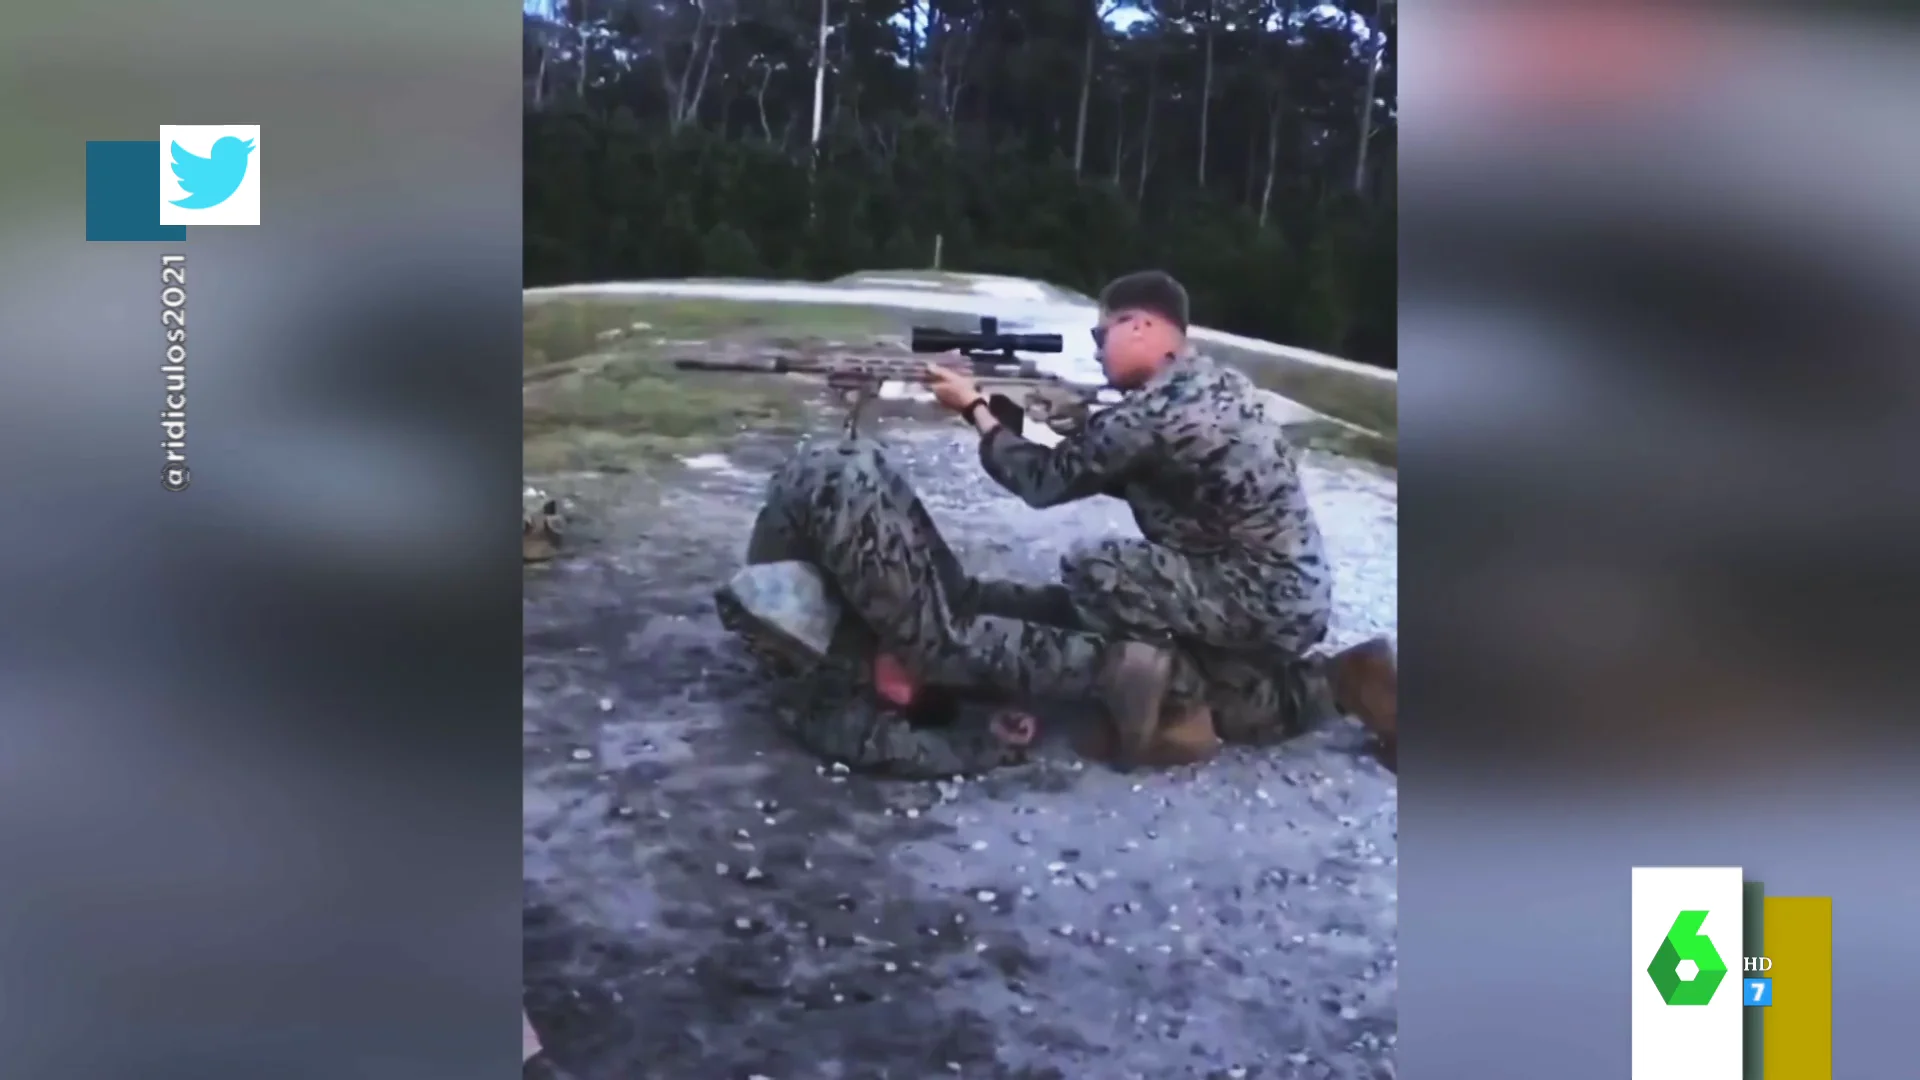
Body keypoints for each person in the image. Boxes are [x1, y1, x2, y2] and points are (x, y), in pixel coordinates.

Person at [923, 269, 1398, 767]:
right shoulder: (1217, 382)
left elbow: (1043, 482)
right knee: (1239, 715)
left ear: (1139, 326)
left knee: (1098, 571)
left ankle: (1175, 714)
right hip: (1291, 597)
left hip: (1255, 596)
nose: (1097, 350)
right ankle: (1348, 680)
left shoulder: (1151, 412)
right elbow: (1143, 466)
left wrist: (975, 408)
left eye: (1101, 335)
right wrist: (1078, 425)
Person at [717, 436, 1135, 778]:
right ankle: (1122, 658)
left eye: (906, 689)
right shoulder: (870, 639)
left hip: (824, 493)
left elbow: (877, 743)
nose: (905, 676)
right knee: (947, 621)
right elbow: (973, 602)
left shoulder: (813, 684)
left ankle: (1116, 661)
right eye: (917, 684)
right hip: (844, 473)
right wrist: (992, 743)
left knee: (934, 644)